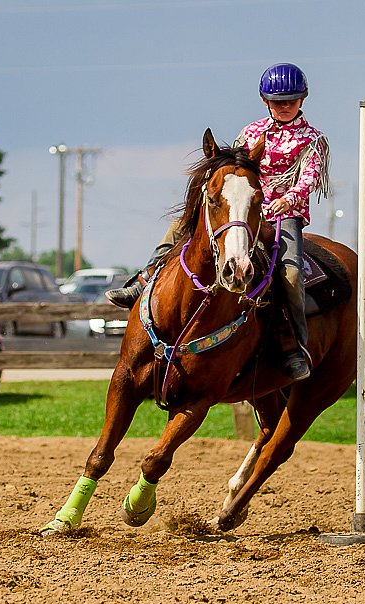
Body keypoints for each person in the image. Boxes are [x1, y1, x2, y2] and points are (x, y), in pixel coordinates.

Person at [106, 62, 330, 380]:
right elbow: (232, 169)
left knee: (291, 273)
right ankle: (143, 282)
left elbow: (308, 179)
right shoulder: (251, 133)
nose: (284, 106)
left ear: (302, 100)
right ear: (265, 101)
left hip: (282, 215)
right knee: (179, 228)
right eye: (277, 101)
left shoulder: (313, 140)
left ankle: (295, 346)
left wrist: (284, 199)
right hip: (237, 210)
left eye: (290, 100)